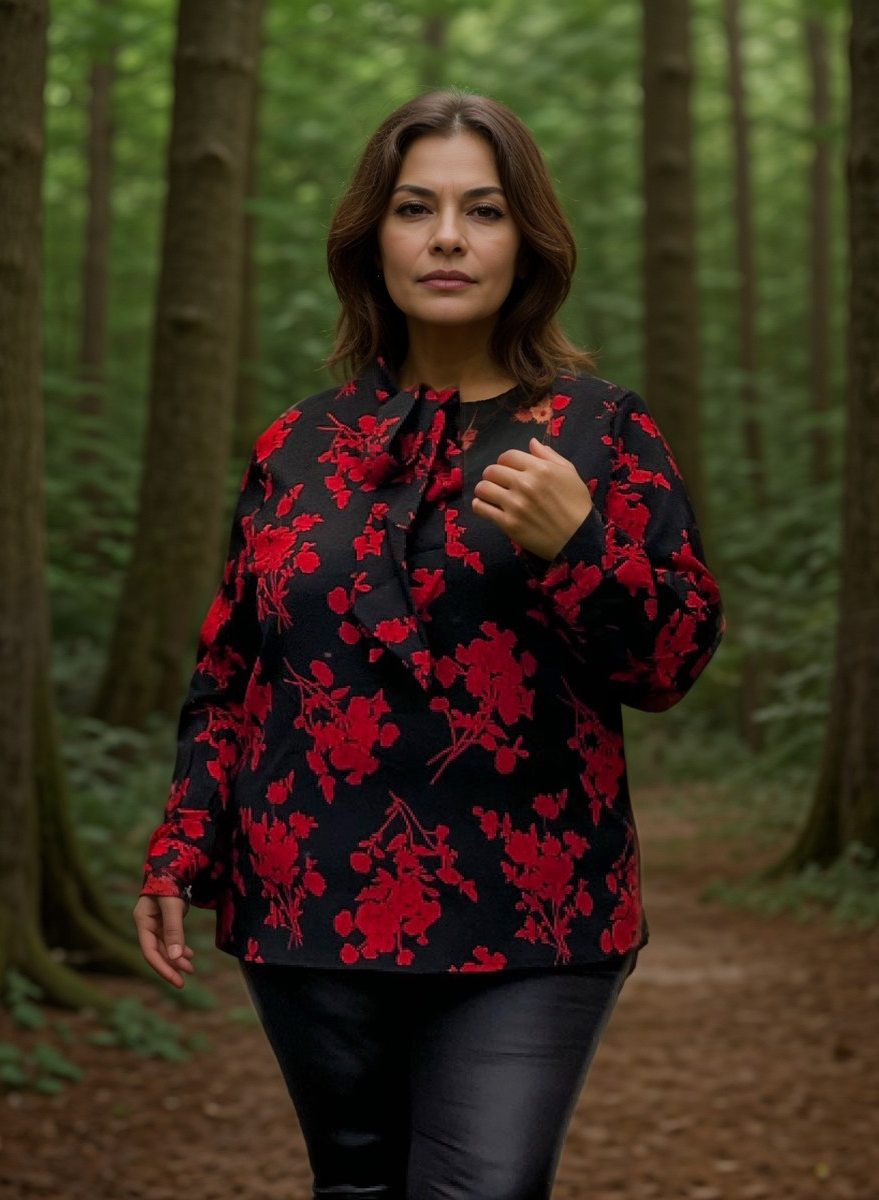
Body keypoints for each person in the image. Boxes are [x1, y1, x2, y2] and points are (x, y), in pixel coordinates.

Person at [133, 89, 723, 1200]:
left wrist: (578, 543)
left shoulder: (601, 430)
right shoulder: (295, 446)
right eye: (417, 207)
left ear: (527, 242)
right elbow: (232, 674)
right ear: (373, 238)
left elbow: (673, 664)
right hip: (306, 906)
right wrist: (182, 847)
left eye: (483, 210)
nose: (448, 236)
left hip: (539, 913)